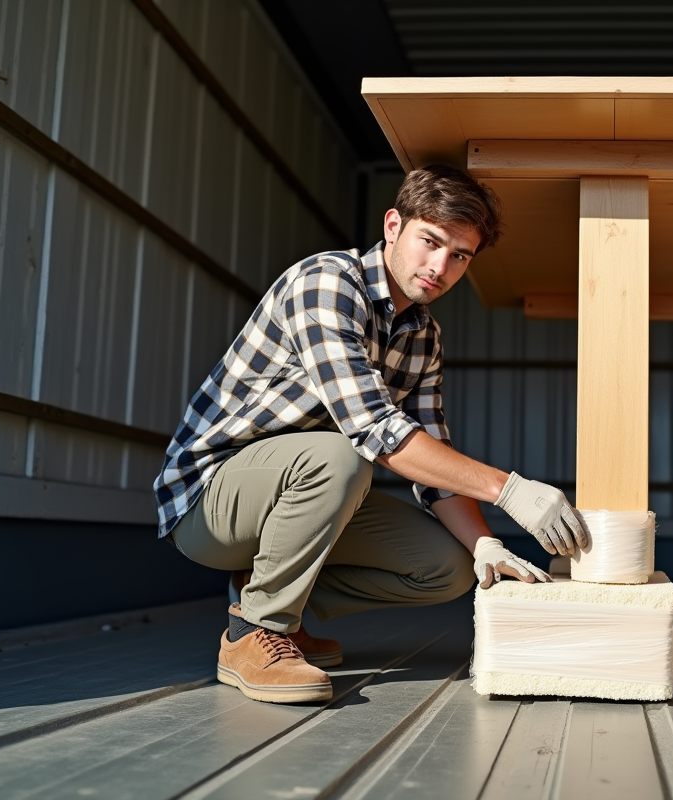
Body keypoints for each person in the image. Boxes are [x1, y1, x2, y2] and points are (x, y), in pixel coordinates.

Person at [153, 165, 588, 704]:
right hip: (209, 500)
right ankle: (256, 630)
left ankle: (273, 600)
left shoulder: (423, 336)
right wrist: (511, 490)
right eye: (430, 241)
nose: (439, 266)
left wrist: (486, 544)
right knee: (342, 455)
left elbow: (435, 458)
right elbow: (375, 429)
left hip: (302, 490)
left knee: (446, 567)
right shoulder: (327, 283)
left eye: (460, 256)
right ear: (392, 226)